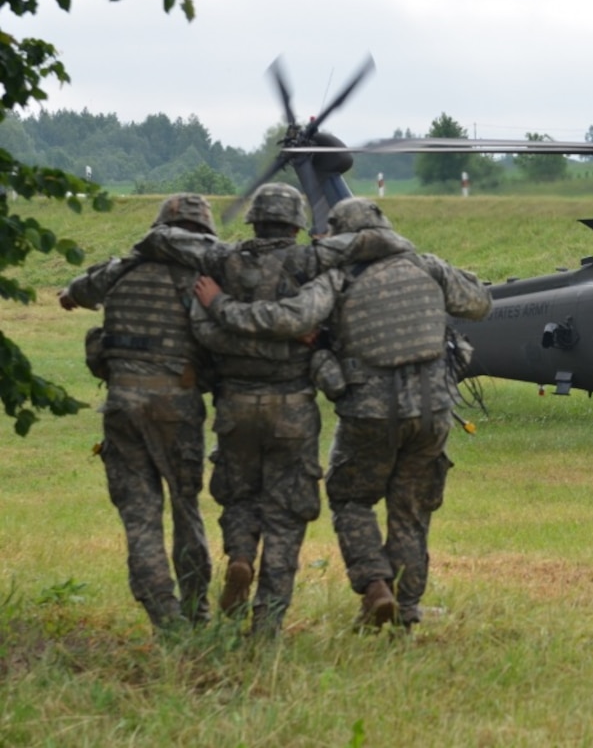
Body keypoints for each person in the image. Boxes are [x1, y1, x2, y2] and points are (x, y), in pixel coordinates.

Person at [190, 197, 492, 632]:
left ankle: (374, 584)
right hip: (432, 408)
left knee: (351, 499)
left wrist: (227, 308)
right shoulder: (427, 267)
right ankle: (405, 611)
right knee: (410, 509)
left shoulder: (339, 276)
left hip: (368, 409)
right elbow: (480, 304)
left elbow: (296, 319)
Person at [58, 194, 217, 632]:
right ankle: (197, 613)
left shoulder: (123, 267)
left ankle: (165, 618)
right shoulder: (206, 273)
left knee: (140, 515)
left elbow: (78, 289)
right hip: (177, 405)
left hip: (122, 403)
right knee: (186, 509)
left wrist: (69, 295)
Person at [193, 184, 324, 635]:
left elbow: (202, 328)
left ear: (254, 220)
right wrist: (296, 336)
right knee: (286, 513)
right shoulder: (309, 264)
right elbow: (332, 322)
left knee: (240, 494)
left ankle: (241, 556)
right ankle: (267, 624)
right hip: (292, 405)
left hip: (235, 403)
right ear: (295, 224)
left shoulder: (222, 264)